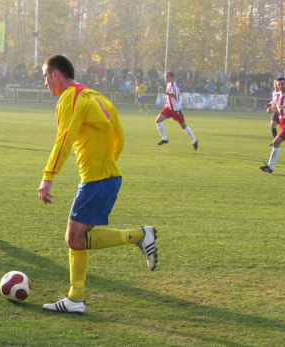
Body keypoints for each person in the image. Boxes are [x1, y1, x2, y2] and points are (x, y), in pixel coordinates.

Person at [38, 55, 158, 314]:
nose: (45, 82)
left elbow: (65, 137)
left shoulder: (69, 97)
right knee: (77, 237)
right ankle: (75, 298)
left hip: (96, 179)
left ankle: (139, 236)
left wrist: (48, 175)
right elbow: (119, 136)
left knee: (74, 237)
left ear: (56, 74)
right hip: (109, 177)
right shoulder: (98, 96)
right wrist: (108, 163)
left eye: (45, 76)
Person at [259, 77, 285, 173]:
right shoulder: (276, 95)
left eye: (282, 84)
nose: (280, 86)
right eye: (279, 85)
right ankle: (270, 167)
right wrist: (270, 110)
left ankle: (270, 167)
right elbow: (275, 108)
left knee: (276, 142)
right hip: (282, 122)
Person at [155, 71, 198, 150]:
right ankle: (164, 138)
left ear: (171, 77)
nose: (166, 78)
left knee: (183, 126)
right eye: (165, 76)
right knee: (158, 120)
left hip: (176, 110)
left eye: (168, 76)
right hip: (169, 108)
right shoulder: (169, 85)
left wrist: (163, 92)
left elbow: (173, 95)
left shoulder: (172, 84)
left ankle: (194, 140)